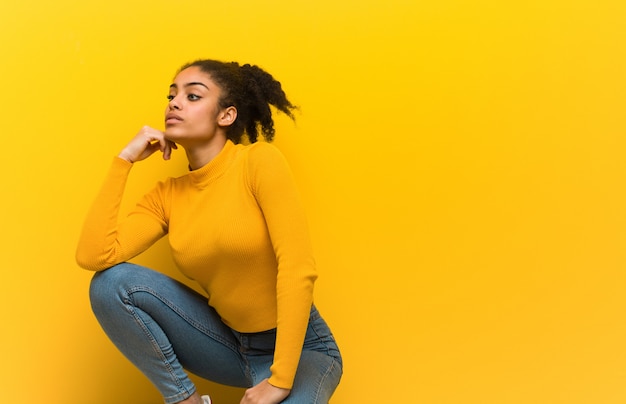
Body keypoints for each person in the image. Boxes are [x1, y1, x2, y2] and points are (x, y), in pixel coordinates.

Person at [76, 59, 342, 404]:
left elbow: (298, 267)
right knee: (110, 284)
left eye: (193, 96)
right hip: (228, 345)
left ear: (226, 115)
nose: (174, 103)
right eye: (171, 96)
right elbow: (94, 256)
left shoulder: (257, 163)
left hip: (302, 351)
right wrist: (123, 161)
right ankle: (184, 401)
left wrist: (280, 379)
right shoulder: (168, 195)